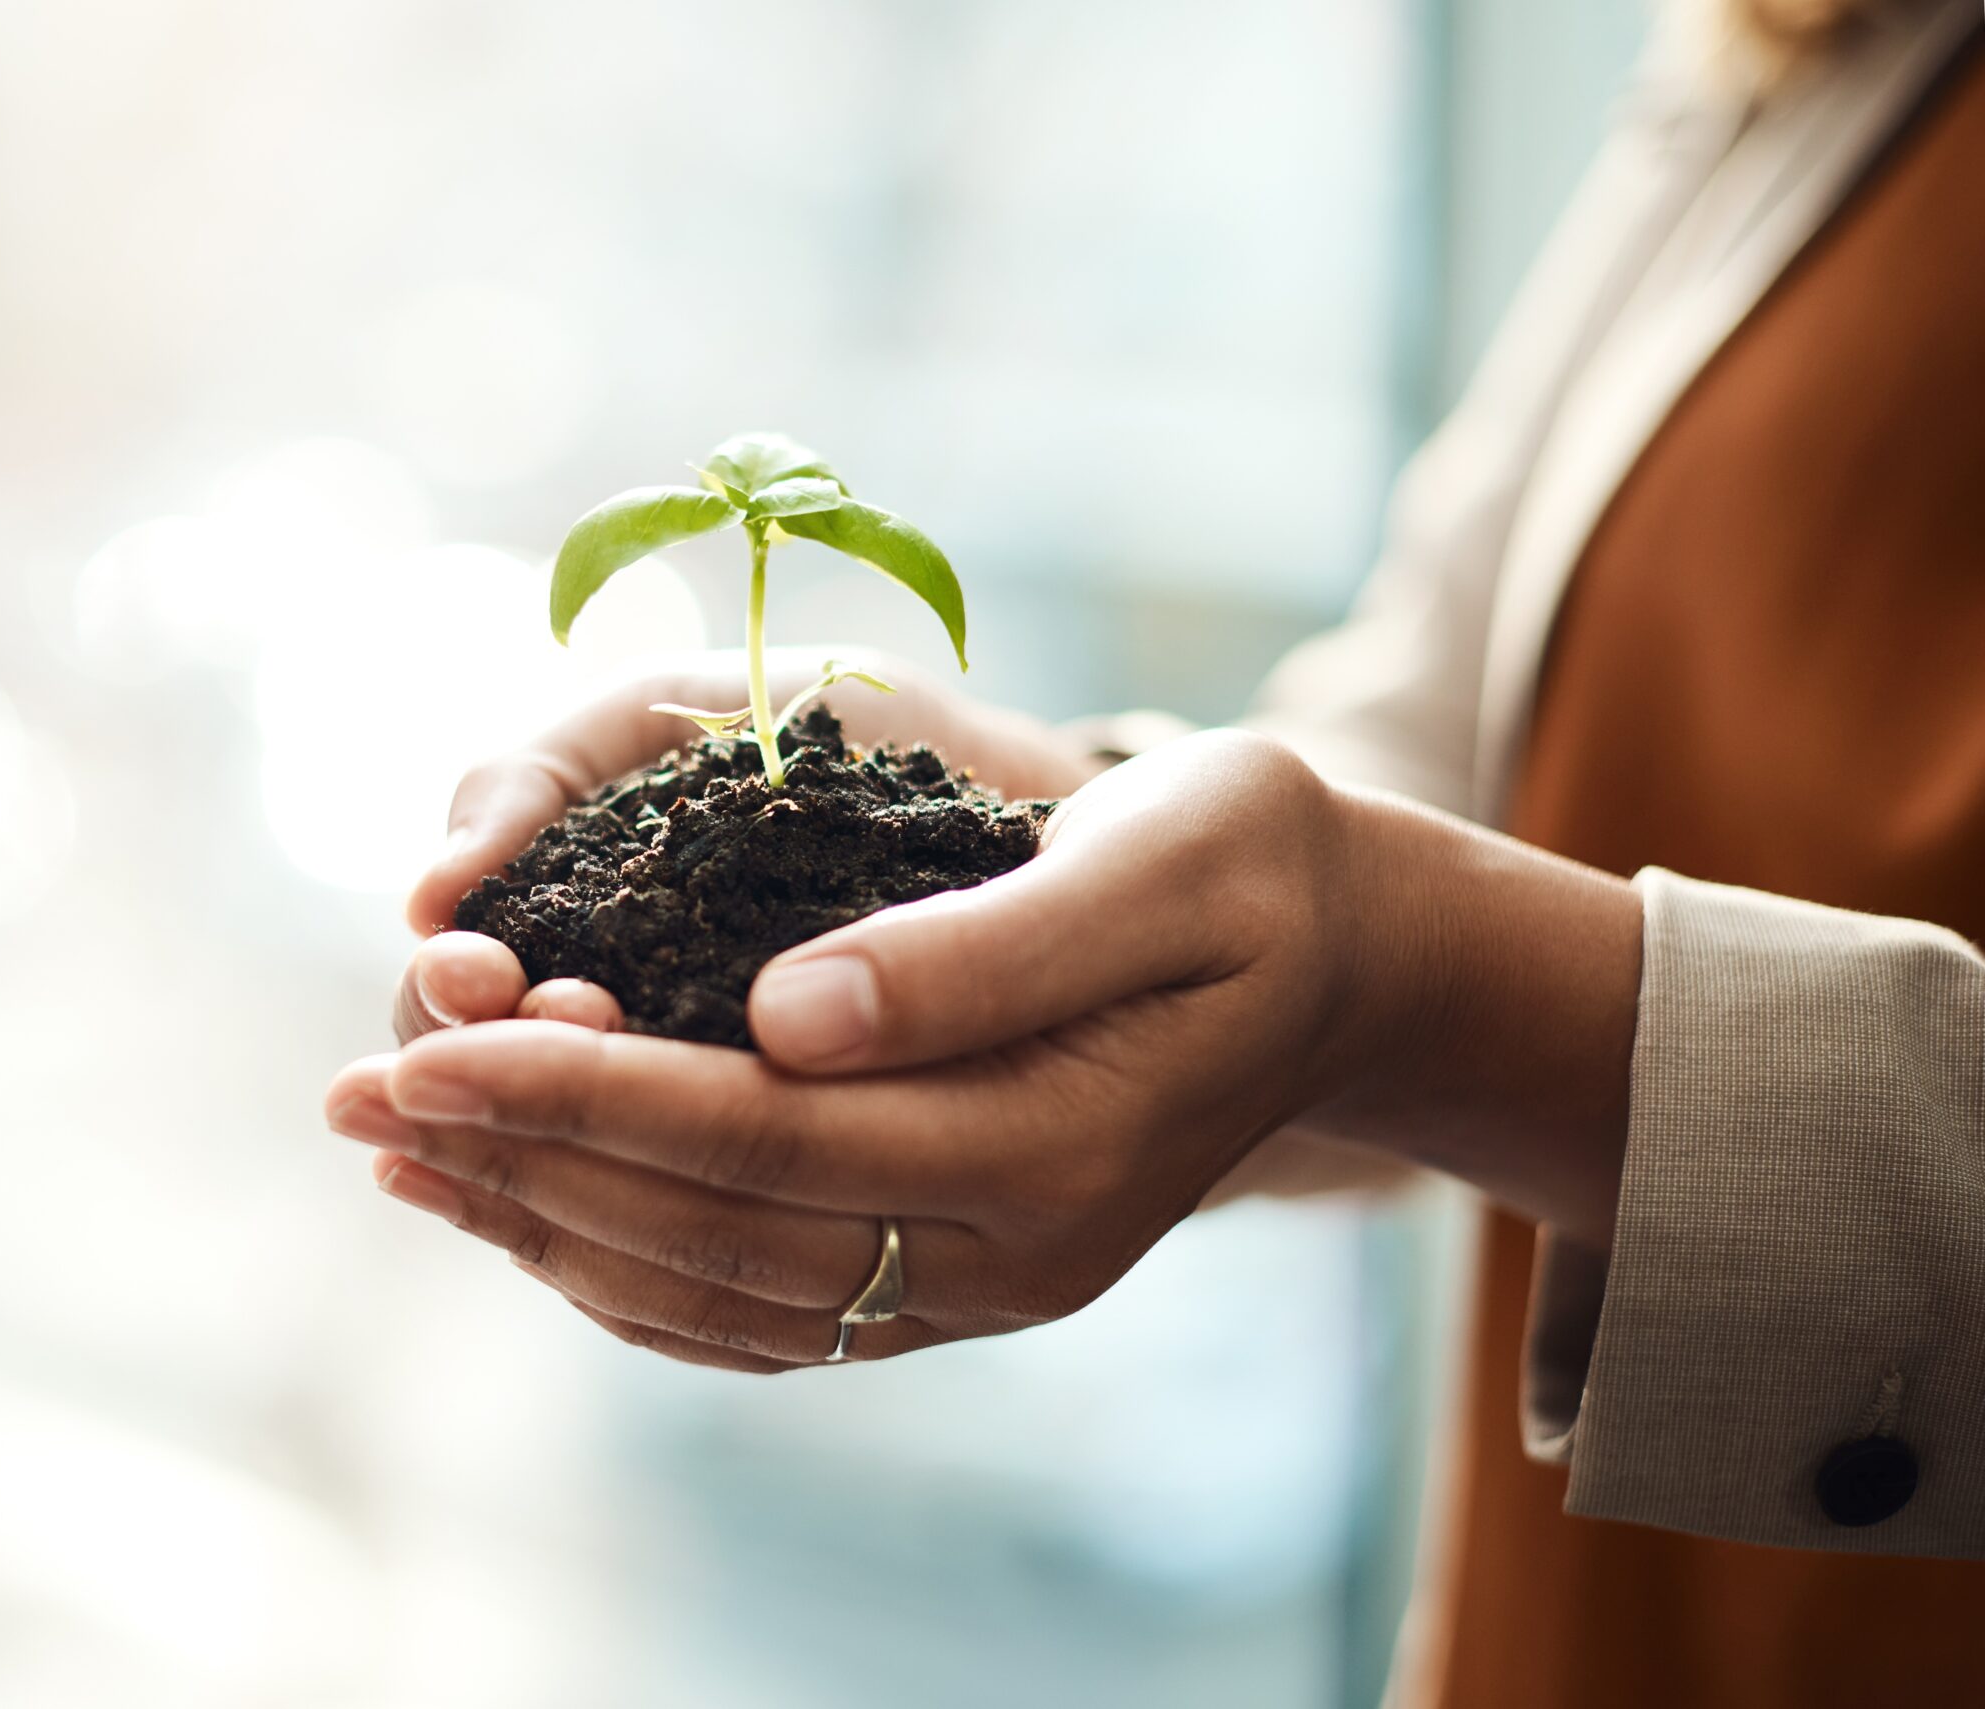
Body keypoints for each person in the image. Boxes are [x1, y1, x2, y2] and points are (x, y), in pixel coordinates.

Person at [325, 0, 1985, 1699]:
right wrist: (1080, 828)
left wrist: (1417, 986)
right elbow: (1449, 721)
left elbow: (1417, 906)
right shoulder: (1816, 34)